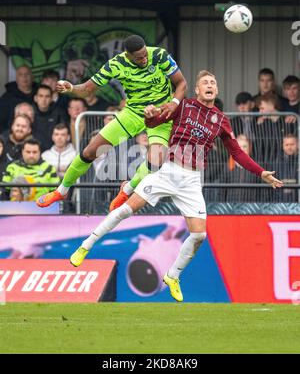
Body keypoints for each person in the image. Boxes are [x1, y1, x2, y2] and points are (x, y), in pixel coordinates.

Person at [69, 70, 283, 302]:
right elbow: (155, 122)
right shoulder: (184, 106)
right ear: (197, 90)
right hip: (168, 169)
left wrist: (260, 172)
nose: (210, 85)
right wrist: (151, 115)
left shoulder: (221, 120)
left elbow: (237, 152)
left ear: (217, 90)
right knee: (125, 210)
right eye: (205, 83)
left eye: (213, 82)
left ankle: (172, 275)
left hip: (191, 180)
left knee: (199, 235)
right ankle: (85, 245)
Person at [36, 34, 187, 210]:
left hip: (161, 115)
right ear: (128, 55)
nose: (145, 59)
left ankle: (127, 189)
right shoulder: (116, 64)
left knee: (156, 161)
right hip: (132, 114)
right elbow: (86, 89)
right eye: (139, 57)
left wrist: (174, 103)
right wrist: (71, 88)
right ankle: (61, 191)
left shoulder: (159, 55)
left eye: (145, 54)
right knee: (90, 151)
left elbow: (181, 83)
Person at [0, 65, 36, 133]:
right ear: (16, 79)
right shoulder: (7, 97)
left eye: (27, 74)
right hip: (12, 137)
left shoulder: (40, 94)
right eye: (20, 75)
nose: (24, 77)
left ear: (32, 77)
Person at [32, 85, 66, 151]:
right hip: (33, 150)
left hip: (53, 151)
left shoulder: (59, 113)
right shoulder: (30, 112)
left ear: (51, 99)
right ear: (35, 98)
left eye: (47, 96)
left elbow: (63, 132)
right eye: (41, 96)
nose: (44, 99)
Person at [272, 133, 298, 202]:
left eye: (292, 144)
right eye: (287, 145)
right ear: (283, 146)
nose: (289, 147)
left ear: (298, 145)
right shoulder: (276, 163)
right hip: (281, 203)